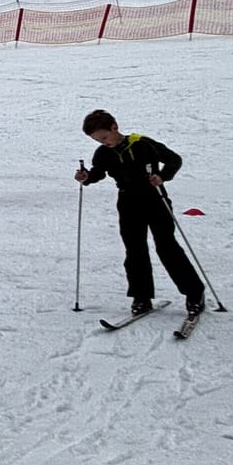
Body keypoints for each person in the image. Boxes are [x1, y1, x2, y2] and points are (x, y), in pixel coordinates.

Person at [75, 109, 205, 322]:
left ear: (114, 127)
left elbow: (174, 159)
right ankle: (141, 297)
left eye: (104, 137)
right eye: (97, 140)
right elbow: (98, 172)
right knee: (135, 250)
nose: (103, 142)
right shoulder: (103, 153)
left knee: (167, 247)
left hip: (155, 199)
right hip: (128, 202)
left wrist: (162, 176)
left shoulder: (142, 143)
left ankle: (194, 293)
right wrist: (86, 177)